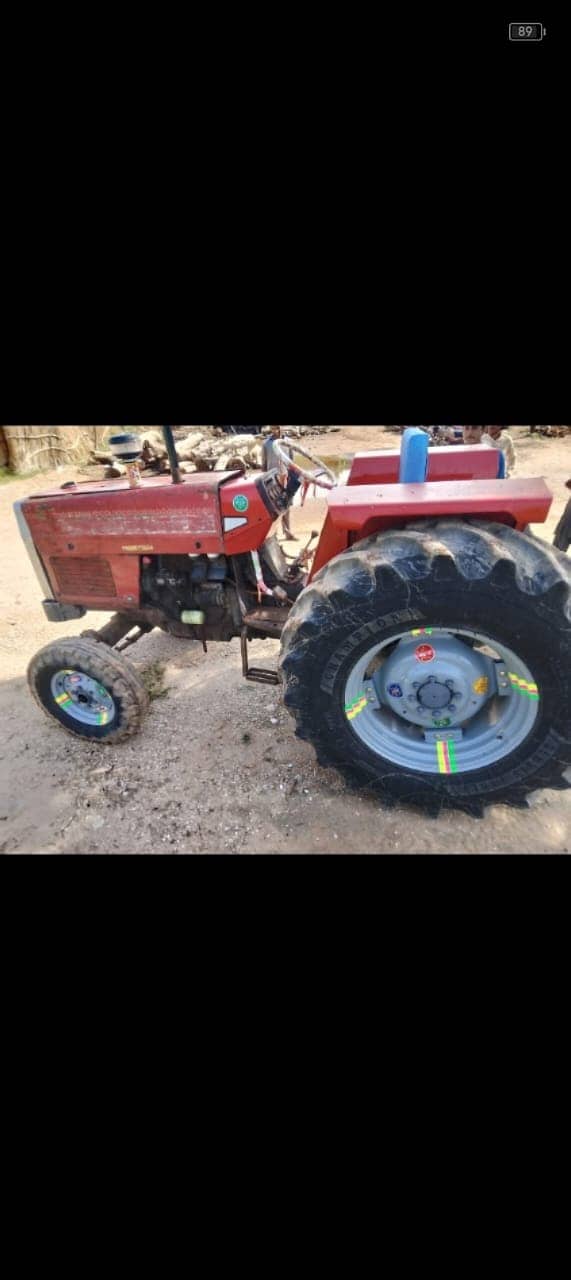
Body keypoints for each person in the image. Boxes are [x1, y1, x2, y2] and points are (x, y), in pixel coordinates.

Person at [262, 425, 300, 541]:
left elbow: (292, 462)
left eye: (277, 428)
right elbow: (264, 464)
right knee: (273, 506)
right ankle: (274, 535)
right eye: (273, 428)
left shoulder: (287, 442)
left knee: (286, 504)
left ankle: (288, 532)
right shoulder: (266, 444)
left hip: (286, 477)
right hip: (272, 481)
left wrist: (293, 476)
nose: (275, 430)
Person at [553, 480, 571, 553]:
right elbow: (567, 484)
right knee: (555, 550)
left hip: (566, 530)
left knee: (558, 552)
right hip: (564, 528)